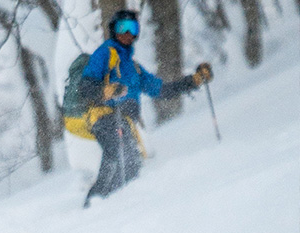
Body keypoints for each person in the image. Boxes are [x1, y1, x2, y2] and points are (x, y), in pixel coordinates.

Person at [80, 9, 213, 208]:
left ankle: (112, 208)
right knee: (118, 153)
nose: (127, 33)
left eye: (132, 28)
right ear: (113, 30)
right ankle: (94, 204)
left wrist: (193, 81)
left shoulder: (135, 69)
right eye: (121, 27)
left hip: (125, 121)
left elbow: (163, 90)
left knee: (132, 164)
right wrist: (105, 91)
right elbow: (85, 86)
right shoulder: (106, 53)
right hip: (104, 115)